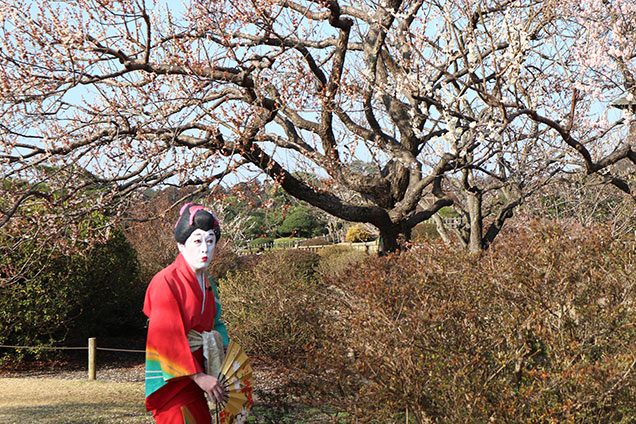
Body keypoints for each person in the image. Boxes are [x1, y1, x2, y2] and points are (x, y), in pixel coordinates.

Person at [143, 203, 229, 423]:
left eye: (210, 241)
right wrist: (198, 376)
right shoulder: (165, 281)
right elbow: (166, 336)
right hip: (173, 379)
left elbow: (216, 323)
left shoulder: (207, 282)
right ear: (181, 245)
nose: (205, 249)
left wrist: (225, 357)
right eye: (198, 241)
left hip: (199, 375)